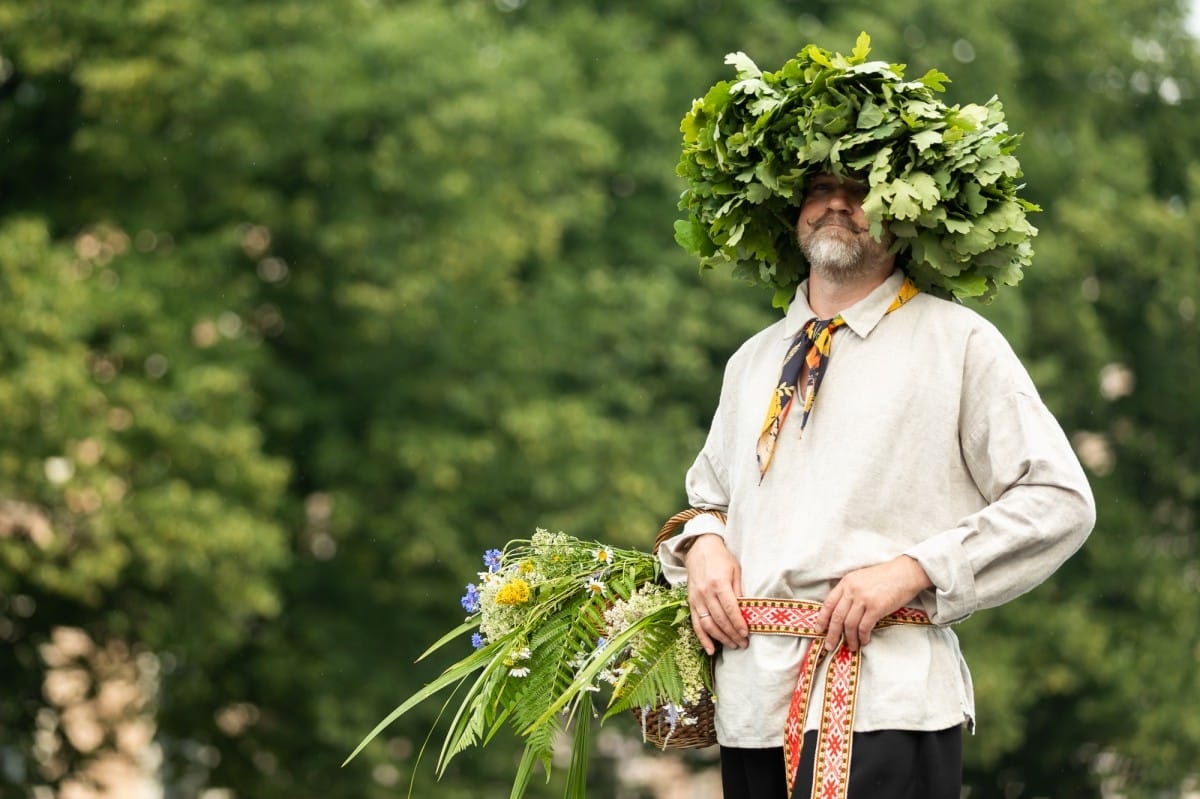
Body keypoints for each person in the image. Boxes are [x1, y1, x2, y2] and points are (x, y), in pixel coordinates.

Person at [657, 171, 1096, 798]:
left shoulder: (958, 342)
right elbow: (710, 500)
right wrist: (702, 546)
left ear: (908, 215)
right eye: (818, 188)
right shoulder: (752, 360)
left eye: (863, 190)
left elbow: (1060, 500)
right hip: (751, 705)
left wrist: (914, 568)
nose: (837, 204)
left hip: (883, 702)